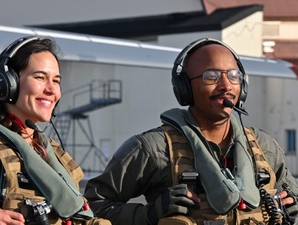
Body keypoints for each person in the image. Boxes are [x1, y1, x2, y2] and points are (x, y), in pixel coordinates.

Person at [84, 38, 298, 225]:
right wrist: (150, 214)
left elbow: (294, 196)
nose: (226, 85)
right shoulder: (152, 148)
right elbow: (92, 206)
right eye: (211, 76)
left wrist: (292, 207)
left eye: (233, 76)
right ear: (184, 87)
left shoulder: (264, 147)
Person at [0, 36, 110, 225]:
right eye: (40, 77)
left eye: (56, 80)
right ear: (8, 84)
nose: (52, 89)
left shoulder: (51, 154)